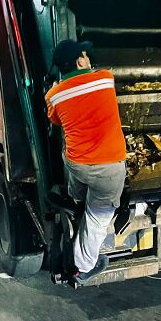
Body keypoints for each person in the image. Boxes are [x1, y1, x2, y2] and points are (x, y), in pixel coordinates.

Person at [46, 39, 127, 283]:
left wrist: (56, 88)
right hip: (108, 167)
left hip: (78, 166)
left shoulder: (53, 95)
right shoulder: (105, 79)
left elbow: (56, 121)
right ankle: (82, 267)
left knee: (69, 150)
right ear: (81, 60)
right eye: (86, 55)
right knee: (98, 218)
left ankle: (75, 198)